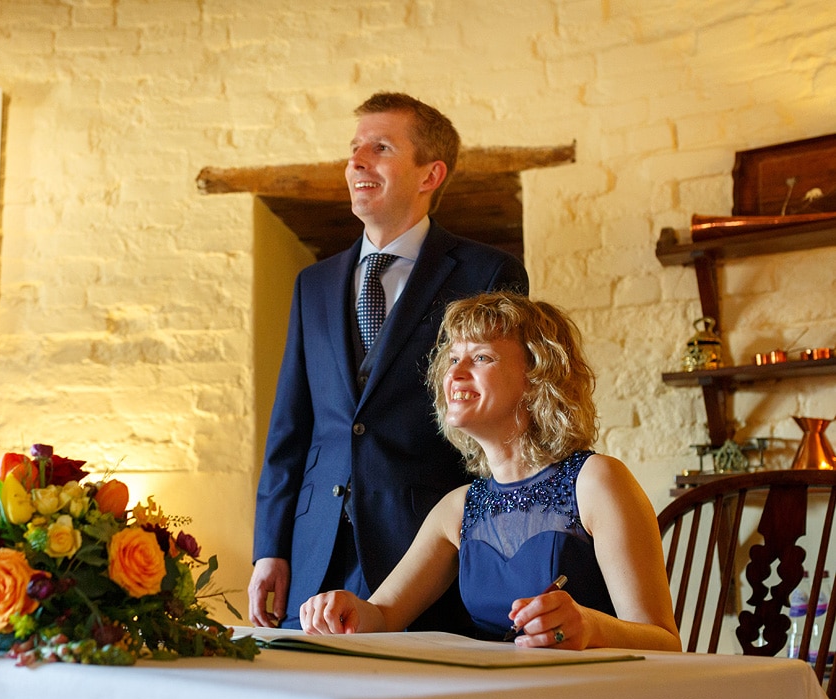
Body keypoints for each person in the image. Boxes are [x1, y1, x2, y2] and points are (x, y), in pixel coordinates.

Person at [250, 93, 529, 630]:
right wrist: (271, 547)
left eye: (380, 148)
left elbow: (506, 419)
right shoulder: (313, 284)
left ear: (430, 174)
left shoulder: (487, 273)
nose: (356, 162)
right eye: (354, 149)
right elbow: (292, 425)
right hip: (315, 547)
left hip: (427, 548)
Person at [299, 292, 682, 652]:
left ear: (536, 377)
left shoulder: (597, 482)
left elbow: (665, 642)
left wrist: (591, 627)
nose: (456, 373)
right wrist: (343, 608)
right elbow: (382, 616)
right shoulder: (457, 508)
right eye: (452, 359)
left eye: (481, 357)